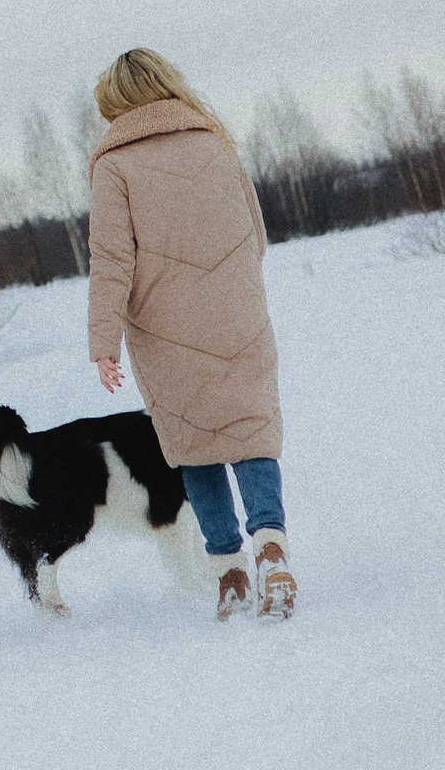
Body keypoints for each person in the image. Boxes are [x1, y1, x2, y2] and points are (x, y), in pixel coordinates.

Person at [85, 48, 296, 619]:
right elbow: (255, 233)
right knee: (250, 428)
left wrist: (104, 342)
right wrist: (231, 287)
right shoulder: (213, 141)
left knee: (192, 443)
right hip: (237, 310)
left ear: (116, 104)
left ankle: (229, 571)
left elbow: (110, 260)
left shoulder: (114, 165)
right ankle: (270, 545)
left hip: (163, 326)